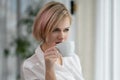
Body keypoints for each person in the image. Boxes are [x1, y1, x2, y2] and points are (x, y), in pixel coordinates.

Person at [21, 1, 84, 80]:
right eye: (56, 30)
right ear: (43, 30)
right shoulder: (30, 66)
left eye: (66, 30)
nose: (62, 36)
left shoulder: (73, 58)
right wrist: (49, 69)